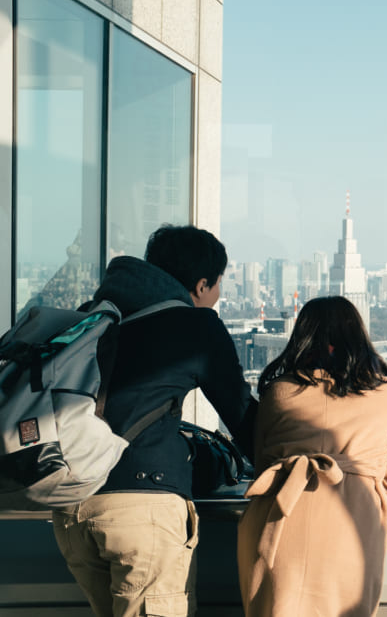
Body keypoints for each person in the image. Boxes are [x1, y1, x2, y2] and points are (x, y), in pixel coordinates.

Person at [51, 225, 258, 617]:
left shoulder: (92, 316)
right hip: (142, 509)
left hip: (72, 509)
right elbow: (242, 413)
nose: (217, 296)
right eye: (217, 286)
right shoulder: (197, 326)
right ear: (201, 285)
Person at [238, 296, 387, 617]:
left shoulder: (278, 392)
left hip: (281, 520)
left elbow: (262, 465)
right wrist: (361, 487)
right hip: (353, 525)